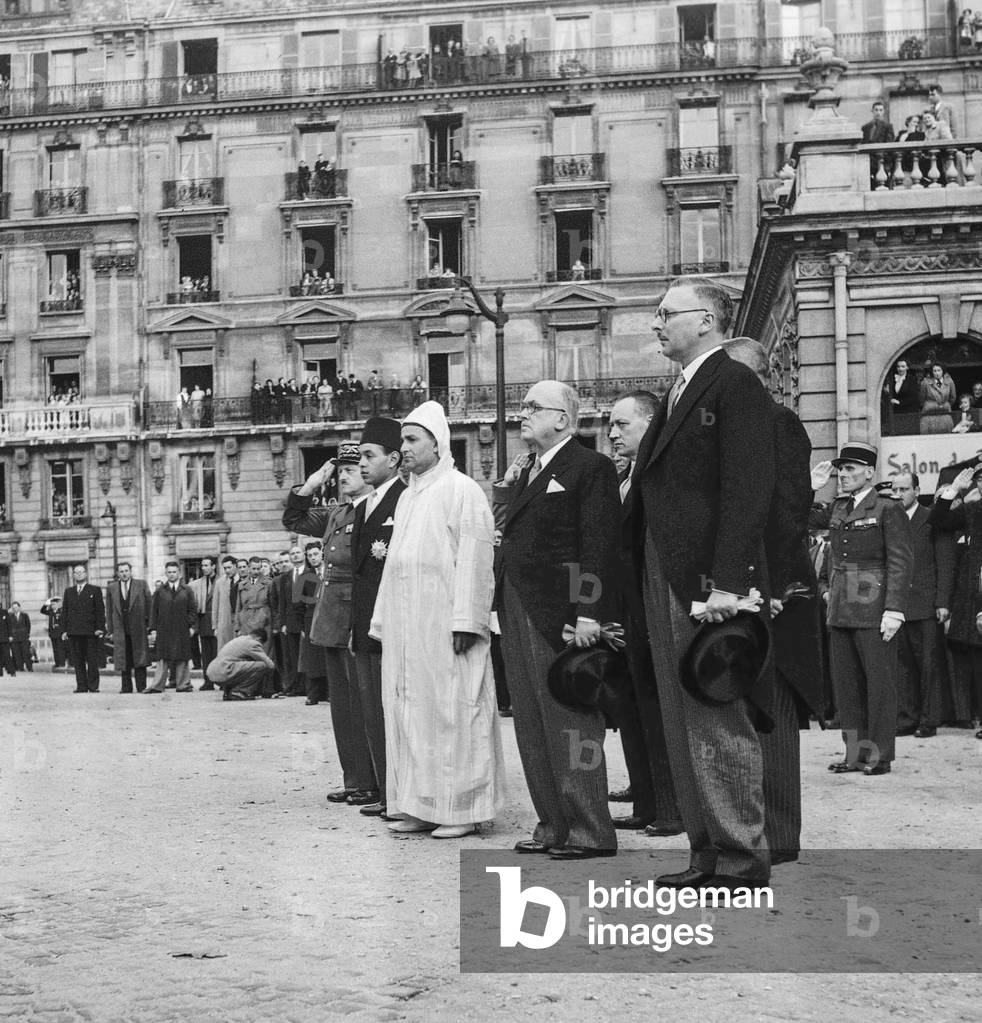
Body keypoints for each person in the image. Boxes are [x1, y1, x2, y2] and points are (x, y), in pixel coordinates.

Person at [632, 276, 776, 888]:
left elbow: (747, 488)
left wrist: (727, 581)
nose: (657, 323)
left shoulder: (735, 384)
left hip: (705, 581)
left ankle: (742, 857)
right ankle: (706, 852)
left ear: (708, 320)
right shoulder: (681, 389)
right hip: (664, 570)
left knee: (715, 713)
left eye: (668, 313)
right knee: (680, 714)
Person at [496, 381, 620, 860]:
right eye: (523, 406)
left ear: (563, 419)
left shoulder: (590, 467)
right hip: (518, 606)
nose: (522, 413)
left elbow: (599, 545)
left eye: (533, 407)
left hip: (561, 616)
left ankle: (590, 830)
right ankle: (552, 823)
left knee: (570, 723)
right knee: (530, 721)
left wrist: (590, 611)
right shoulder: (529, 470)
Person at [370, 401, 503, 839]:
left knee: (453, 712)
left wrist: (468, 619)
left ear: (436, 443)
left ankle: (461, 809)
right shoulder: (407, 496)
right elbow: (396, 565)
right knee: (410, 712)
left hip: (447, 624)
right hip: (409, 628)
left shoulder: (462, 489)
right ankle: (419, 804)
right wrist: (384, 621)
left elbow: (476, 557)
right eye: (402, 440)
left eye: (411, 440)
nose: (403, 448)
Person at [725, 337, 826, 865]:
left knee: (776, 714)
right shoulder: (735, 426)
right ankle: (753, 829)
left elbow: (788, 512)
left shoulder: (779, 422)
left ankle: (781, 838)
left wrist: (765, 585)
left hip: (777, 589)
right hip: (745, 585)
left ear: (753, 376)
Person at [606, 391, 683, 839]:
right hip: (628, 611)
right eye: (612, 426)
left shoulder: (658, 475)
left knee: (659, 710)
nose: (613, 434)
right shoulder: (624, 477)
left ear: (651, 423)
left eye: (622, 425)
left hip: (653, 605)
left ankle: (672, 808)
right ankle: (646, 800)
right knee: (632, 710)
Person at [810, 444, 913, 775]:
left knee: (879, 684)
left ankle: (879, 755)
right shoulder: (839, 506)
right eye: (841, 469)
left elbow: (900, 560)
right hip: (841, 605)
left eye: (851, 468)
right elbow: (800, 517)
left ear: (870, 472)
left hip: (872, 605)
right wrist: (808, 487)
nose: (843, 474)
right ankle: (855, 753)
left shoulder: (886, 508)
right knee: (847, 686)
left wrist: (894, 609)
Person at [287, 443, 378, 804]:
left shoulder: (375, 509)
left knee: (364, 703)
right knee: (342, 706)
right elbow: (294, 521)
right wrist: (309, 487)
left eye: (351, 470)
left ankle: (373, 780)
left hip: (357, 616)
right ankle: (354, 778)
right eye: (340, 470)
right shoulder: (337, 512)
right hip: (331, 618)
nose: (343, 476)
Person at [350, 417, 407, 819]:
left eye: (370, 456)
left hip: (392, 625)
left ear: (394, 458)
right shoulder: (365, 503)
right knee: (372, 710)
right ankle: (386, 791)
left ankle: (400, 795)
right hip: (365, 625)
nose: (362, 463)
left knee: (394, 712)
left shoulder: (404, 498)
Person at [889, 472, 946, 739]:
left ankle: (928, 719)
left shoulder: (930, 519)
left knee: (928, 666)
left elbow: (944, 563)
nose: (899, 494)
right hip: (897, 605)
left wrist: (942, 602)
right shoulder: (889, 518)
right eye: (895, 489)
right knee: (903, 666)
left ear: (917, 490)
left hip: (925, 603)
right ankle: (907, 717)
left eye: (904, 489)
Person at [928, 466, 982, 736]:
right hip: (974, 595)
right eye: (981, 480)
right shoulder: (973, 510)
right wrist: (954, 491)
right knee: (975, 657)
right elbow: (938, 521)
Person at [143, 562, 198, 694]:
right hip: (164, 629)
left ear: (178, 572)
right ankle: (157, 685)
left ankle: (183, 684)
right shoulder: (160, 591)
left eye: (174, 572)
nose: (172, 574)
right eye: (169, 572)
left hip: (182, 628)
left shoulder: (187, 590)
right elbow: (153, 611)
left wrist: (191, 626)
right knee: (162, 658)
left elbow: (192, 609)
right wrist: (153, 629)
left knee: (182, 657)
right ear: (166, 573)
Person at [105, 563, 152, 693]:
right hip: (121, 628)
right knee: (123, 657)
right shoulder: (112, 588)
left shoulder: (141, 584)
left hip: (139, 627)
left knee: (139, 657)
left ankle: (141, 686)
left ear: (131, 571)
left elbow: (149, 606)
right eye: (121, 571)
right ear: (117, 573)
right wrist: (110, 630)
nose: (124, 573)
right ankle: (126, 687)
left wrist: (149, 626)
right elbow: (109, 610)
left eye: (126, 571)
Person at [62, 565, 106, 693]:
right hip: (74, 632)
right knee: (78, 660)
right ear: (73, 575)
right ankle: (81, 685)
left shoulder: (94, 590)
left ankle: (93, 686)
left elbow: (100, 611)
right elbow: (65, 612)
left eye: (81, 572)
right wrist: (64, 630)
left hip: (90, 632)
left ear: (86, 574)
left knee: (92, 659)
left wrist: (100, 628)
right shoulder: (69, 592)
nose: (79, 574)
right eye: (76, 572)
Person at [272, 545, 307, 697]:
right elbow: (282, 602)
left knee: (305, 655)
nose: (295, 556)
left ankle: (307, 686)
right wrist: (283, 623)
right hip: (290, 622)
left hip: (305, 622)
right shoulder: (286, 577)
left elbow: (309, 602)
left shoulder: (310, 573)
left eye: (298, 553)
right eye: (293, 554)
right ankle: (294, 686)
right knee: (291, 657)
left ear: (303, 555)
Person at [207, 629, 276, 701]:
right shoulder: (253, 643)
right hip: (225, 671)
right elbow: (269, 664)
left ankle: (229, 692)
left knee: (242, 668)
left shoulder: (238, 639)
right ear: (259, 638)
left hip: (213, 673)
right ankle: (240, 691)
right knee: (262, 665)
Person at [188, 556, 219, 685]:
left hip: (217, 620)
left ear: (214, 566)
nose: (204, 568)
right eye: (202, 566)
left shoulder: (221, 581)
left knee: (218, 652)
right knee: (206, 653)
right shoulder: (198, 583)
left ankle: (220, 680)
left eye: (207, 565)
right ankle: (208, 681)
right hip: (204, 620)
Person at [919, 361, 957, 432]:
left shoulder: (949, 382)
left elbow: (952, 398)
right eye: (935, 371)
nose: (937, 373)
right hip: (929, 415)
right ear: (932, 372)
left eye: (939, 370)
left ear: (943, 371)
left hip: (945, 414)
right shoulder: (925, 383)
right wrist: (931, 405)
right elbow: (922, 399)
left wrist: (944, 405)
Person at [213, 556, 239, 651]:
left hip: (238, 622)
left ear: (235, 565)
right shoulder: (220, 582)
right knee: (224, 651)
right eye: (225, 568)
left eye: (229, 567)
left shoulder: (244, 580)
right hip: (224, 623)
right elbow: (215, 605)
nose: (227, 570)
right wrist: (215, 626)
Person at [41, 597, 67, 668]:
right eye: (51, 604)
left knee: (60, 649)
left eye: (54, 604)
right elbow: (42, 611)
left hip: (60, 633)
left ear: (58, 604)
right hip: (53, 634)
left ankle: (62, 663)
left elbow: (64, 623)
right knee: (55, 649)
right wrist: (46, 603)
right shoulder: (50, 612)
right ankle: (57, 663)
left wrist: (64, 632)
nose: (52, 606)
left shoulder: (61, 612)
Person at [8, 602, 31, 673]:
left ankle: (29, 667)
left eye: (16, 607)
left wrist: (27, 634)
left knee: (26, 653)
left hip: (24, 637)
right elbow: (8, 627)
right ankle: (20, 667)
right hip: (14, 638)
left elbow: (28, 625)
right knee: (16, 653)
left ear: (19, 607)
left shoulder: (25, 615)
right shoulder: (10, 616)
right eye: (13, 608)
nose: (15, 609)